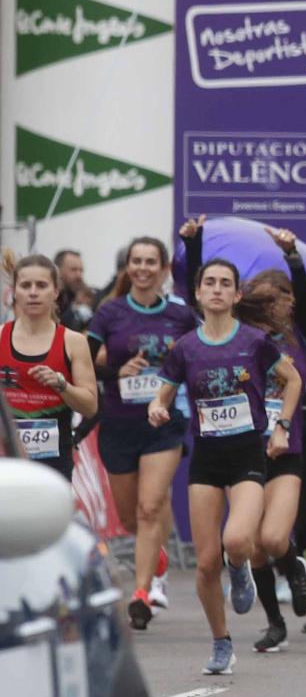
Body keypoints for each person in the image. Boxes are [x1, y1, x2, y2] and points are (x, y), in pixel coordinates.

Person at [148, 258, 303, 676]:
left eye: (225, 283)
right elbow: (161, 395)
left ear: (236, 295)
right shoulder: (186, 348)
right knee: (203, 563)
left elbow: (293, 381)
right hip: (207, 458)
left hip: (247, 455)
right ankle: (221, 642)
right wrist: (157, 409)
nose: (216, 289)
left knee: (237, 541)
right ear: (198, 293)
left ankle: (240, 570)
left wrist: (282, 427)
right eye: (209, 283)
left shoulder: (254, 342)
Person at [90, 236, 198, 630]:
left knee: (151, 507)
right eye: (136, 261)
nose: (143, 268)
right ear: (128, 268)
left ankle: (141, 593)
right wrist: (114, 372)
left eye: (151, 261)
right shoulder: (110, 313)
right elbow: (83, 360)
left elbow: (198, 356)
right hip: (119, 423)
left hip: (163, 423)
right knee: (131, 517)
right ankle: (157, 557)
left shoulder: (180, 316)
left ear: (164, 268)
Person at [0, 253, 98, 479]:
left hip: (54, 462)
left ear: (55, 291)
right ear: (15, 291)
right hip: (7, 460)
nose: (33, 292)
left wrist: (62, 385)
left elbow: (90, 406)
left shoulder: (73, 341)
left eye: (41, 285)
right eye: (26, 285)